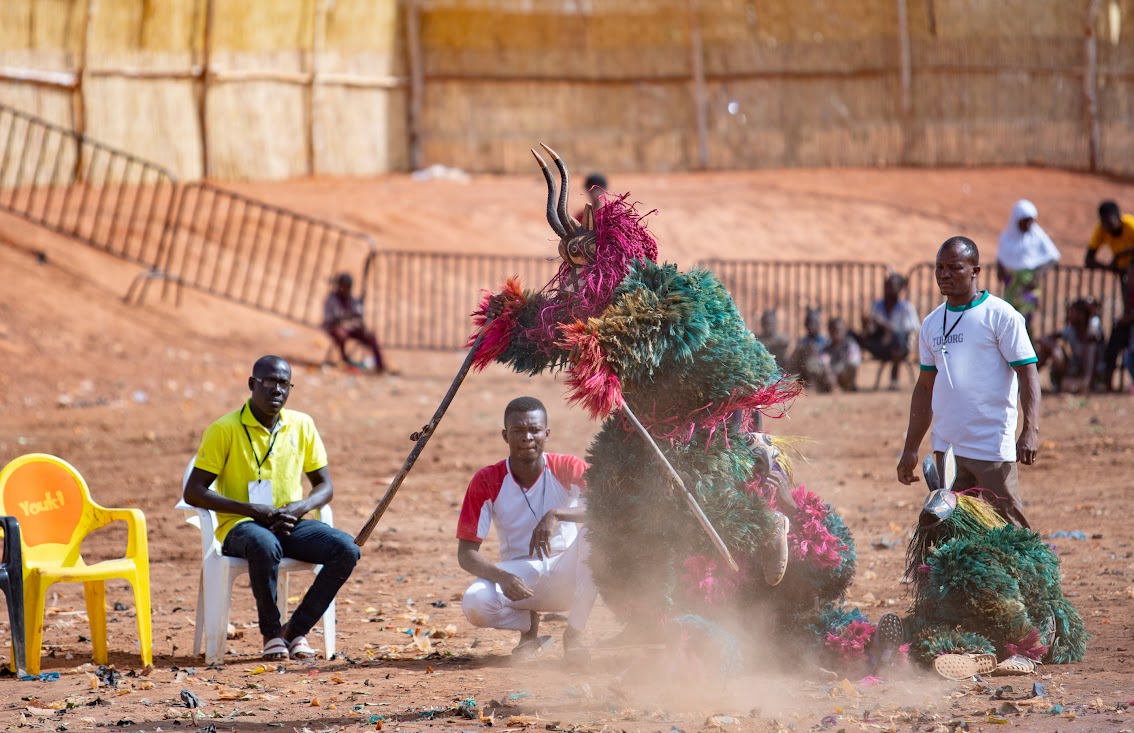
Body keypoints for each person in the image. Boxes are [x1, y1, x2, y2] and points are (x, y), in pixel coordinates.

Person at [184, 355, 360, 661]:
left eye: (284, 383)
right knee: (264, 545)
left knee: (346, 549)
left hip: (290, 522)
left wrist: (300, 507)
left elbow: (325, 486)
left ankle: (294, 631)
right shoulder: (223, 429)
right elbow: (194, 491)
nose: (276, 390)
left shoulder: (302, 424)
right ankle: (271, 634)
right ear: (252, 384)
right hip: (242, 525)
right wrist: (252, 510)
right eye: (269, 382)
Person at [897, 236, 1040, 529]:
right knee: (954, 532)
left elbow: (1028, 372)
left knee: (1010, 530)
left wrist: (1030, 429)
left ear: (975, 270)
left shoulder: (1000, 315)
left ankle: (1023, 577)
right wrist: (910, 448)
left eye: (954, 267)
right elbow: (925, 389)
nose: (944, 274)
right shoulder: (932, 323)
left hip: (991, 447)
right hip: (947, 450)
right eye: (939, 267)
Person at [456, 397, 597, 662]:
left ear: (547, 433)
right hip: (520, 578)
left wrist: (557, 514)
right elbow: (466, 554)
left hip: (568, 573)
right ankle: (528, 632)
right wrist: (501, 577)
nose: (527, 437)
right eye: (518, 431)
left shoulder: (568, 467)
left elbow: (608, 509)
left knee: (594, 534)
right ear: (505, 435)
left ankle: (574, 634)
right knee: (474, 602)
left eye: (534, 430)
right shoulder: (487, 480)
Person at [1085, 202, 1134, 389]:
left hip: (1127, 275)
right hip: (1125, 281)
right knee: (1118, 335)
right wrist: (1111, 267)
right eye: (1104, 223)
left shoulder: (1130, 225)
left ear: (1118, 217)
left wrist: (1121, 256)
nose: (1107, 227)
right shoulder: (1101, 230)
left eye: (1110, 222)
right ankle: (1106, 383)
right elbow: (1088, 259)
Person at [996, 199, 1061, 332]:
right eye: (1025, 221)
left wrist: (1037, 275)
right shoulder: (1006, 237)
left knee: (1026, 321)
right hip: (1011, 288)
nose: (1029, 224)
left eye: (1031, 221)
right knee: (1008, 321)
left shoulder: (1036, 235)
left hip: (1028, 288)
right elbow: (1000, 259)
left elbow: (1053, 257)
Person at [852, 273, 920, 390]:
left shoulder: (906, 308)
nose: (889, 289)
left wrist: (885, 327)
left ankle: (894, 381)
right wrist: (867, 324)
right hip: (881, 345)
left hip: (901, 347)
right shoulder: (877, 305)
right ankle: (849, 381)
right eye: (887, 286)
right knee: (851, 335)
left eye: (892, 286)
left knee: (898, 336)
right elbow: (870, 332)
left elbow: (911, 332)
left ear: (900, 289)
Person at [1035, 298, 1103, 395]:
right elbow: (1044, 339)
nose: (1069, 315)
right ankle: (1025, 378)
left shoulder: (1090, 340)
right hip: (1072, 371)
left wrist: (1083, 384)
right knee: (1048, 350)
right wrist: (1055, 349)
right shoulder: (1071, 331)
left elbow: (1088, 374)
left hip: (1083, 377)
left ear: (1081, 315)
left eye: (1072, 312)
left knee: (1055, 350)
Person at [323, 272, 386, 373]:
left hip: (351, 328)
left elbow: (358, 315)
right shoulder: (332, 299)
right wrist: (344, 320)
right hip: (335, 328)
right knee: (341, 334)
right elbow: (330, 319)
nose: (345, 289)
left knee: (370, 335)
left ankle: (380, 365)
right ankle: (344, 360)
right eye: (343, 286)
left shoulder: (352, 299)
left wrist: (361, 326)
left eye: (347, 287)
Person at [788, 307, 832, 392]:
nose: (811, 326)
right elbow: (793, 362)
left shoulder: (825, 341)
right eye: (809, 323)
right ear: (805, 324)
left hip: (821, 374)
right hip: (804, 374)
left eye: (814, 323)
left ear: (819, 324)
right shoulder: (802, 342)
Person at [826, 315, 861, 392]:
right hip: (830, 377)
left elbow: (854, 361)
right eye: (833, 330)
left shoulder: (850, 345)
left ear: (844, 330)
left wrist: (835, 371)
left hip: (844, 377)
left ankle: (848, 387)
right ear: (829, 331)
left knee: (851, 365)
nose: (836, 333)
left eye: (838, 330)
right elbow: (823, 361)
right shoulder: (827, 346)